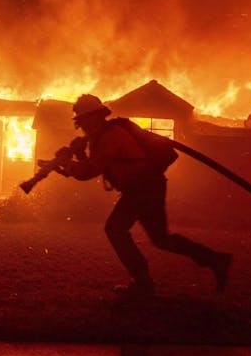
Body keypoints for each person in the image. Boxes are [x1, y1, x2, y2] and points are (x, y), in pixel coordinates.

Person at [56, 94, 232, 299]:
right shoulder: (102, 136)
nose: (85, 126)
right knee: (161, 239)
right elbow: (94, 165)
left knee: (115, 229)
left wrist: (67, 164)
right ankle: (215, 259)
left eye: (86, 120)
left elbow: (89, 171)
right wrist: (79, 155)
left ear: (98, 117)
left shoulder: (110, 136)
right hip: (147, 187)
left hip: (142, 188)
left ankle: (142, 283)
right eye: (81, 122)